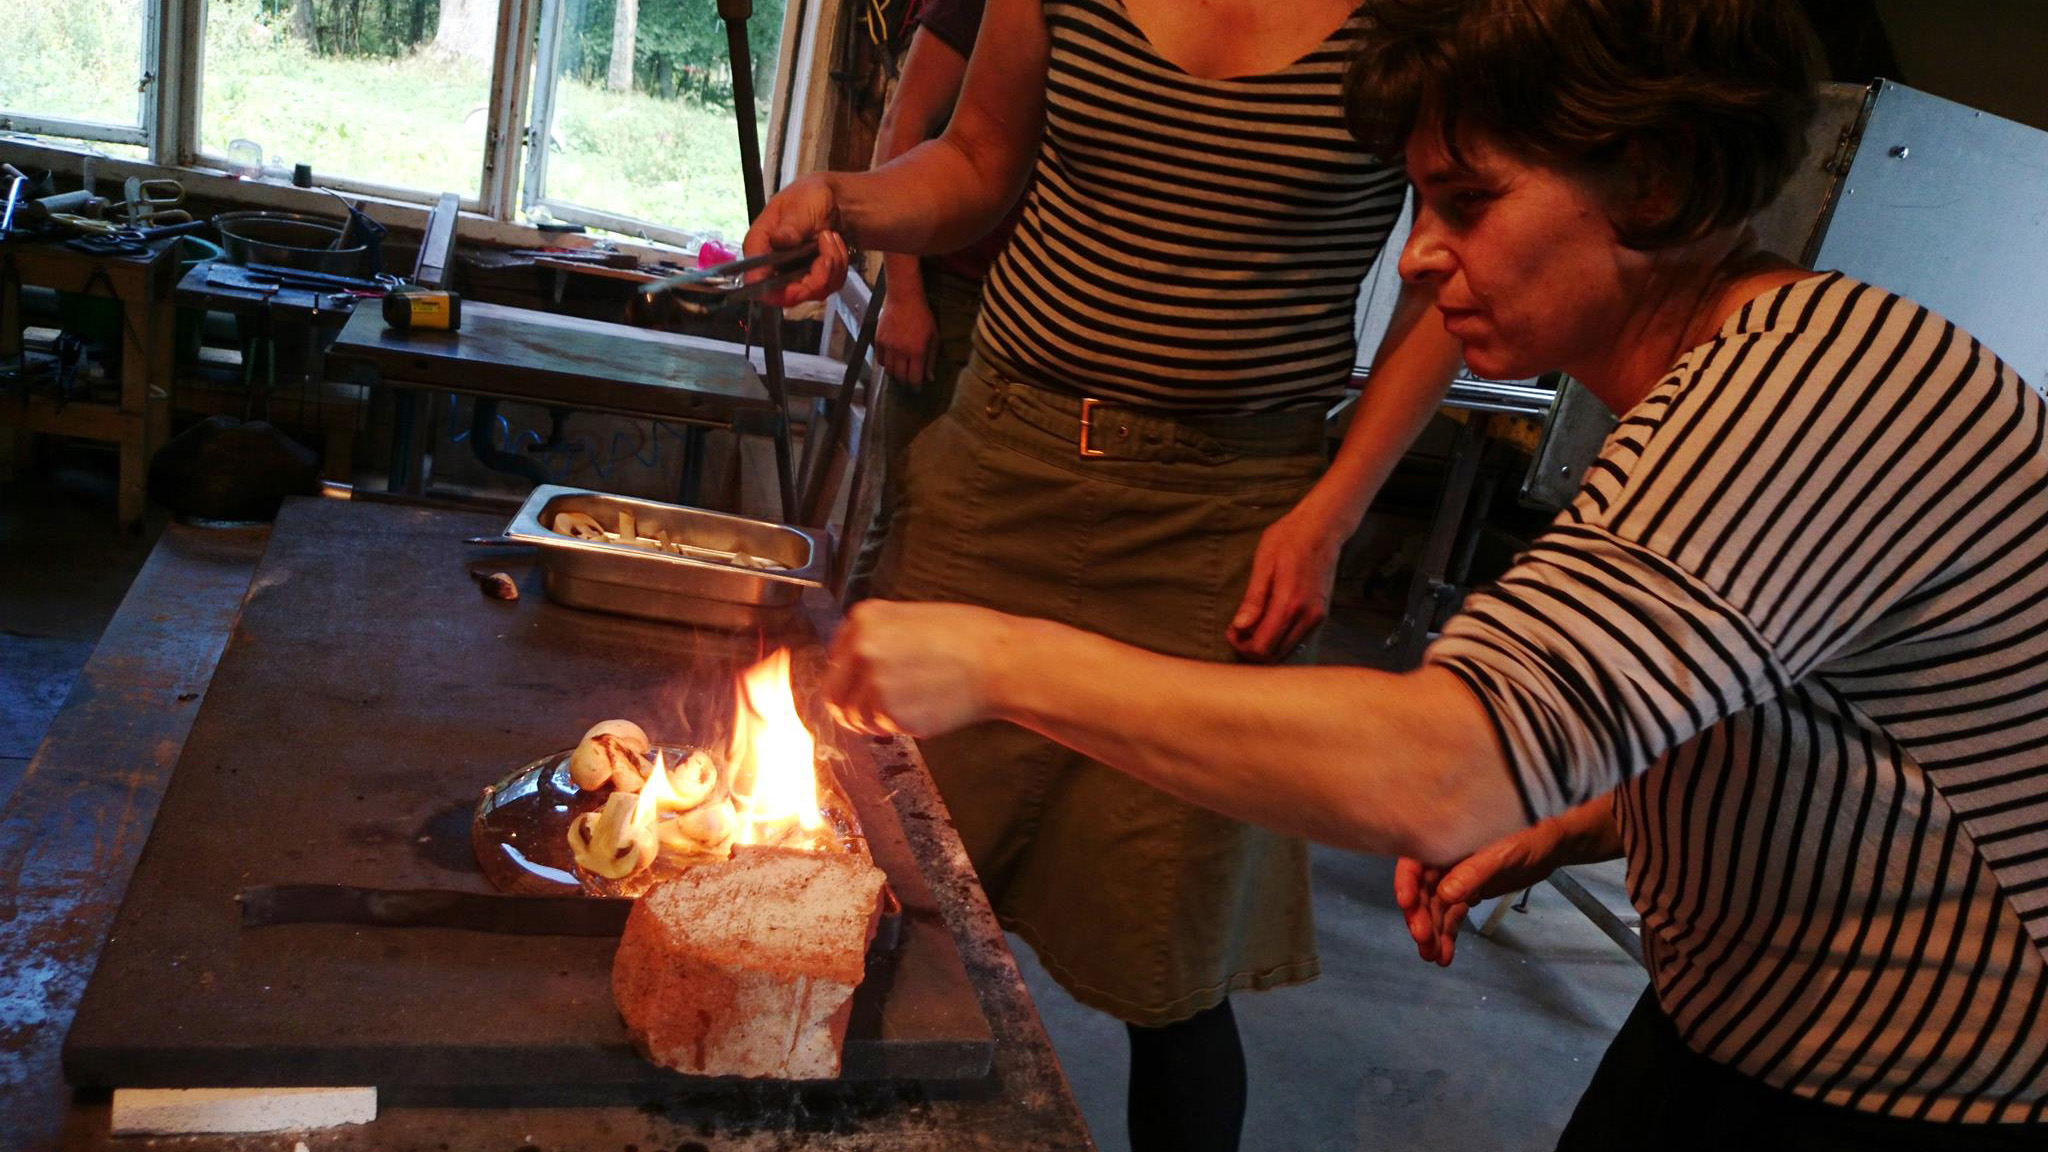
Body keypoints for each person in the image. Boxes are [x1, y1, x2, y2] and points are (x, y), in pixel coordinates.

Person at [818, 0, 2048, 1146]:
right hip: (1737, 1016)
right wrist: (1573, 824)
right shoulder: (1710, 381)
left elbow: (1443, 770)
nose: (1414, 260)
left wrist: (993, 655)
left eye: (1468, 202)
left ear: (1654, 180)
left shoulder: (1814, 389)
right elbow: (1834, 733)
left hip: (1928, 1078)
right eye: (1418, 206)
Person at [746, 2, 1467, 1148]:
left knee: (1170, 962)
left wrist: (1332, 513)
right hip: (1003, 473)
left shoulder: (1419, 21)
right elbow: (980, 163)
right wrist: (847, 199)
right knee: (873, 884)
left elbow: (1451, 275)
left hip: (1225, 520)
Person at [845, 0, 1020, 601]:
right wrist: (905, 297)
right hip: (958, 299)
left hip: (1028, 308)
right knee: (912, 523)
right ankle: (842, 690)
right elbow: (902, 123)